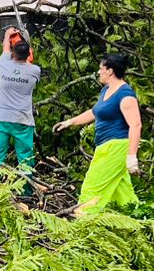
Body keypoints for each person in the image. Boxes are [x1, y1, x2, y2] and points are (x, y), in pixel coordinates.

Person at [53, 53, 141, 216]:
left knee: (91, 189)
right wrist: (70, 122)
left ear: (110, 71)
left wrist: (131, 156)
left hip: (116, 148)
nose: (98, 72)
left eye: (101, 68)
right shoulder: (106, 90)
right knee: (124, 197)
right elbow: (95, 112)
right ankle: (145, 226)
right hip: (104, 148)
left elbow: (135, 125)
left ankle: (82, 226)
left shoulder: (125, 95)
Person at [0, 26, 41, 174]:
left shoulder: (3, 65)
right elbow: (29, 64)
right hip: (23, 120)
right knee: (26, 159)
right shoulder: (35, 71)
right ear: (28, 54)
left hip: (1, 119)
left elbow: (5, 48)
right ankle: (27, 194)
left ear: (13, 52)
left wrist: (7, 35)